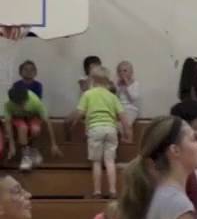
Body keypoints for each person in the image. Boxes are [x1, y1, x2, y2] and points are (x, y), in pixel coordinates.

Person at [71, 65, 131, 198]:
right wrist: (127, 131)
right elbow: (123, 116)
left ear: (92, 80)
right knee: (110, 161)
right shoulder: (112, 96)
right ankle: (113, 190)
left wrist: (72, 125)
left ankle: (97, 191)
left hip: (95, 129)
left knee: (97, 162)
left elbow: (79, 113)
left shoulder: (88, 94)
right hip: (111, 129)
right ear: (107, 81)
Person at [5, 83, 60, 172]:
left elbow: (47, 122)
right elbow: (7, 124)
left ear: (26, 99)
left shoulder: (35, 101)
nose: (21, 106)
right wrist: (12, 145)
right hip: (18, 118)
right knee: (22, 128)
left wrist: (54, 144)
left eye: (23, 103)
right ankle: (26, 156)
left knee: (35, 129)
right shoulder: (8, 105)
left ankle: (33, 151)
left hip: (33, 116)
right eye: (18, 104)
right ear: (13, 102)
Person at [116, 61, 142, 130]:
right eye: (119, 71)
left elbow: (134, 98)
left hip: (131, 108)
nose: (122, 73)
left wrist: (128, 85)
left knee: (126, 124)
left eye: (125, 71)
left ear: (131, 72)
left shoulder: (135, 84)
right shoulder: (118, 84)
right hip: (119, 108)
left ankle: (126, 136)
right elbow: (115, 98)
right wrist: (118, 88)